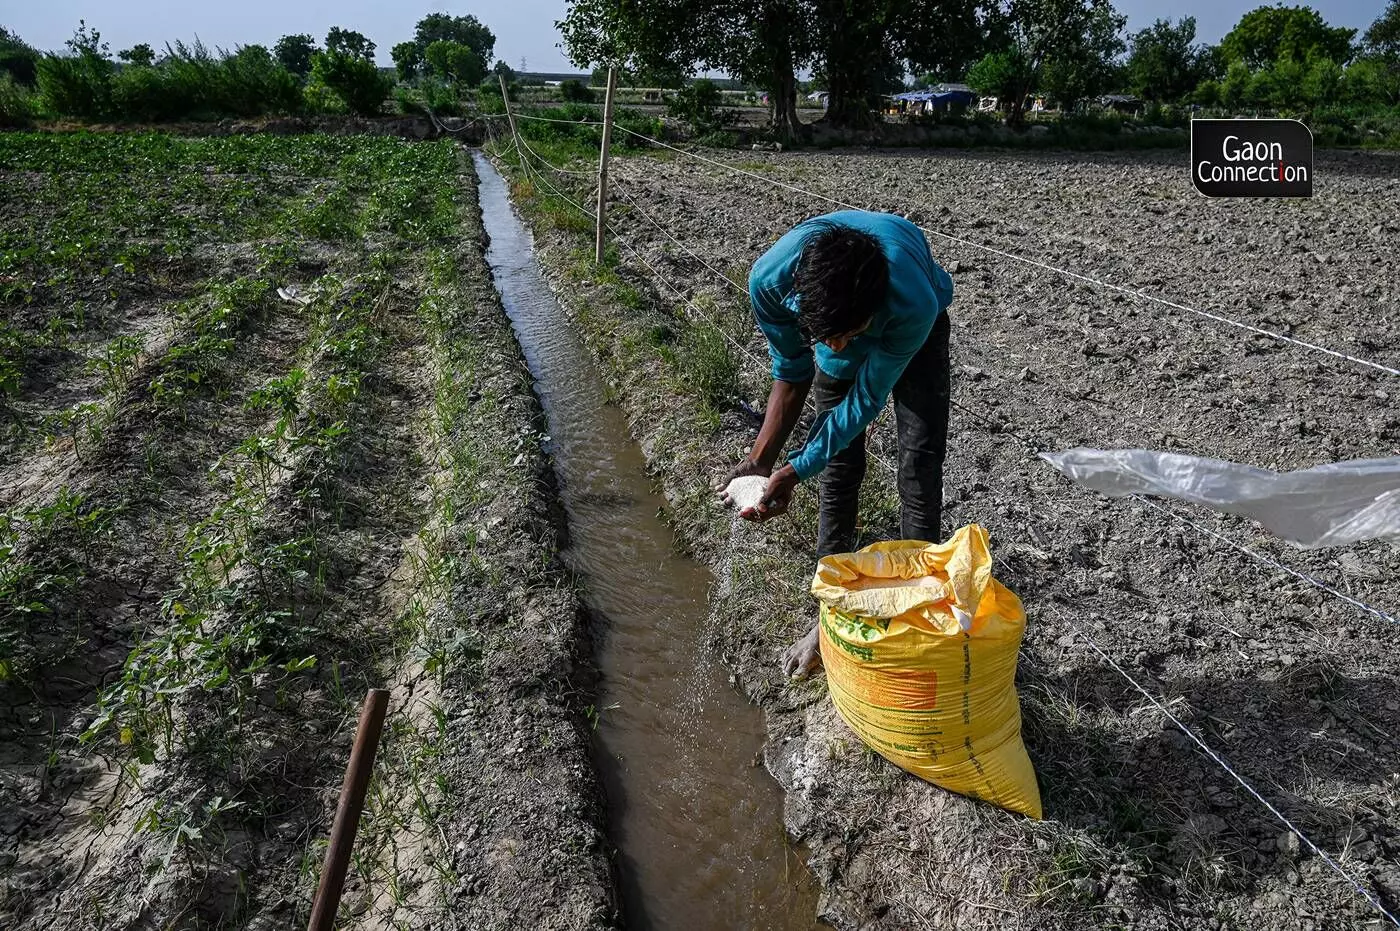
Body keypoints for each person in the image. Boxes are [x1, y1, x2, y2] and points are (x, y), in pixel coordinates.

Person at [715, 210, 954, 677]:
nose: (841, 350)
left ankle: (910, 614)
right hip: (836, 312)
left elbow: (866, 399)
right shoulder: (770, 281)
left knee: (919, 466)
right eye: (828, 338)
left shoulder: (911, 305)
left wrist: (797, 467)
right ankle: (826, 619)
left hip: (914, 331)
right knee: (840, 468)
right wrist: (759, 462)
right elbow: (791, 371)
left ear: (870, 313)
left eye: (850, 335)